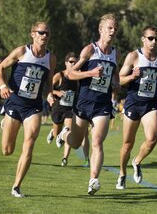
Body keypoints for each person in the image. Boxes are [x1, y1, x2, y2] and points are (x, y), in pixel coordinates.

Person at [56, 13, 120, 195]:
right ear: (101, 29)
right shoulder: (90, 50)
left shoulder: (116, 53)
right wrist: (90, 74)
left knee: (97, 141)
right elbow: (70, 74)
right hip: (84, 102)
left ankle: (93, 179)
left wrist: (116, 83)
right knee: (75, 143)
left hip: (103, 105)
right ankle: (64, 134)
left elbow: (115, 76)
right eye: (109, 27)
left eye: (115, 28)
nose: (113, 31)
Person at [0, 22, 56, 198]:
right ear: (33, 34)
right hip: (14, 103)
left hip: (33, 107)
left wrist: (50, 94)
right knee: (7, 150)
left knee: (29, 142)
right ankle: (6, 121)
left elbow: (49, 81)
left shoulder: (51, 58)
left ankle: (16, 186)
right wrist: (3, 85)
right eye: (41, 32)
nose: (44, 36)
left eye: (47, 33)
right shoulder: (21, 52)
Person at [116, 25, 157, 190]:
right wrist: (132, 76)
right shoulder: (134, 56)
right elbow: (118, 80)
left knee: (152, 139)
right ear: (143, 39)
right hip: (133, 102)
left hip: (151, 103)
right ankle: (122, 173)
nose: (153, 41)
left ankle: (137, 161)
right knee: (127, 144)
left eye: (156, 38)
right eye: (150, 38)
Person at [46, 52, 90, 167]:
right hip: (58, 108)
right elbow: (48, 88)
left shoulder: (77, 78)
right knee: (57, 133)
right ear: (66, 63)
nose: (73, 64)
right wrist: (56, 93)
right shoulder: (59, 76)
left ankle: (65, 158)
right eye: (71, 62)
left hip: (71, 109)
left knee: (68, 130)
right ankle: (53, 131)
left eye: (75, 62)